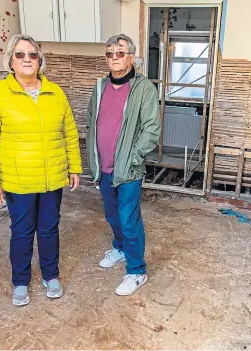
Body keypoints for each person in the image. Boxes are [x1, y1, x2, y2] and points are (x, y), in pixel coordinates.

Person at [0, 34, 82, 306]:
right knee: (22, 232)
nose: (27, 59)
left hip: (51, 179)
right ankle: (21, 281)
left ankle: (51, 275)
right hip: (17, 180)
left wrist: (74, 167)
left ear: (39, 60)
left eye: (32, 55)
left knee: (49, 229)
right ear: (10, 59)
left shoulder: (55, 92)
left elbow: (69, 132)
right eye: (20, 54)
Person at [86, 34, 160, 296]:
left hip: (128, 169)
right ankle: (119, 248)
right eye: (109, 53)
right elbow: (90, 121)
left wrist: (134, 157)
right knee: (111, 214)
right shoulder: (99, 87)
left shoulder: (144, 88)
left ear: (131, 57)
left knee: (129, 220)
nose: (114, 58)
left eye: (120, 52)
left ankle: (137, 270)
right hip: (104, 166)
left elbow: (152, 129)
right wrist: (92, 158)